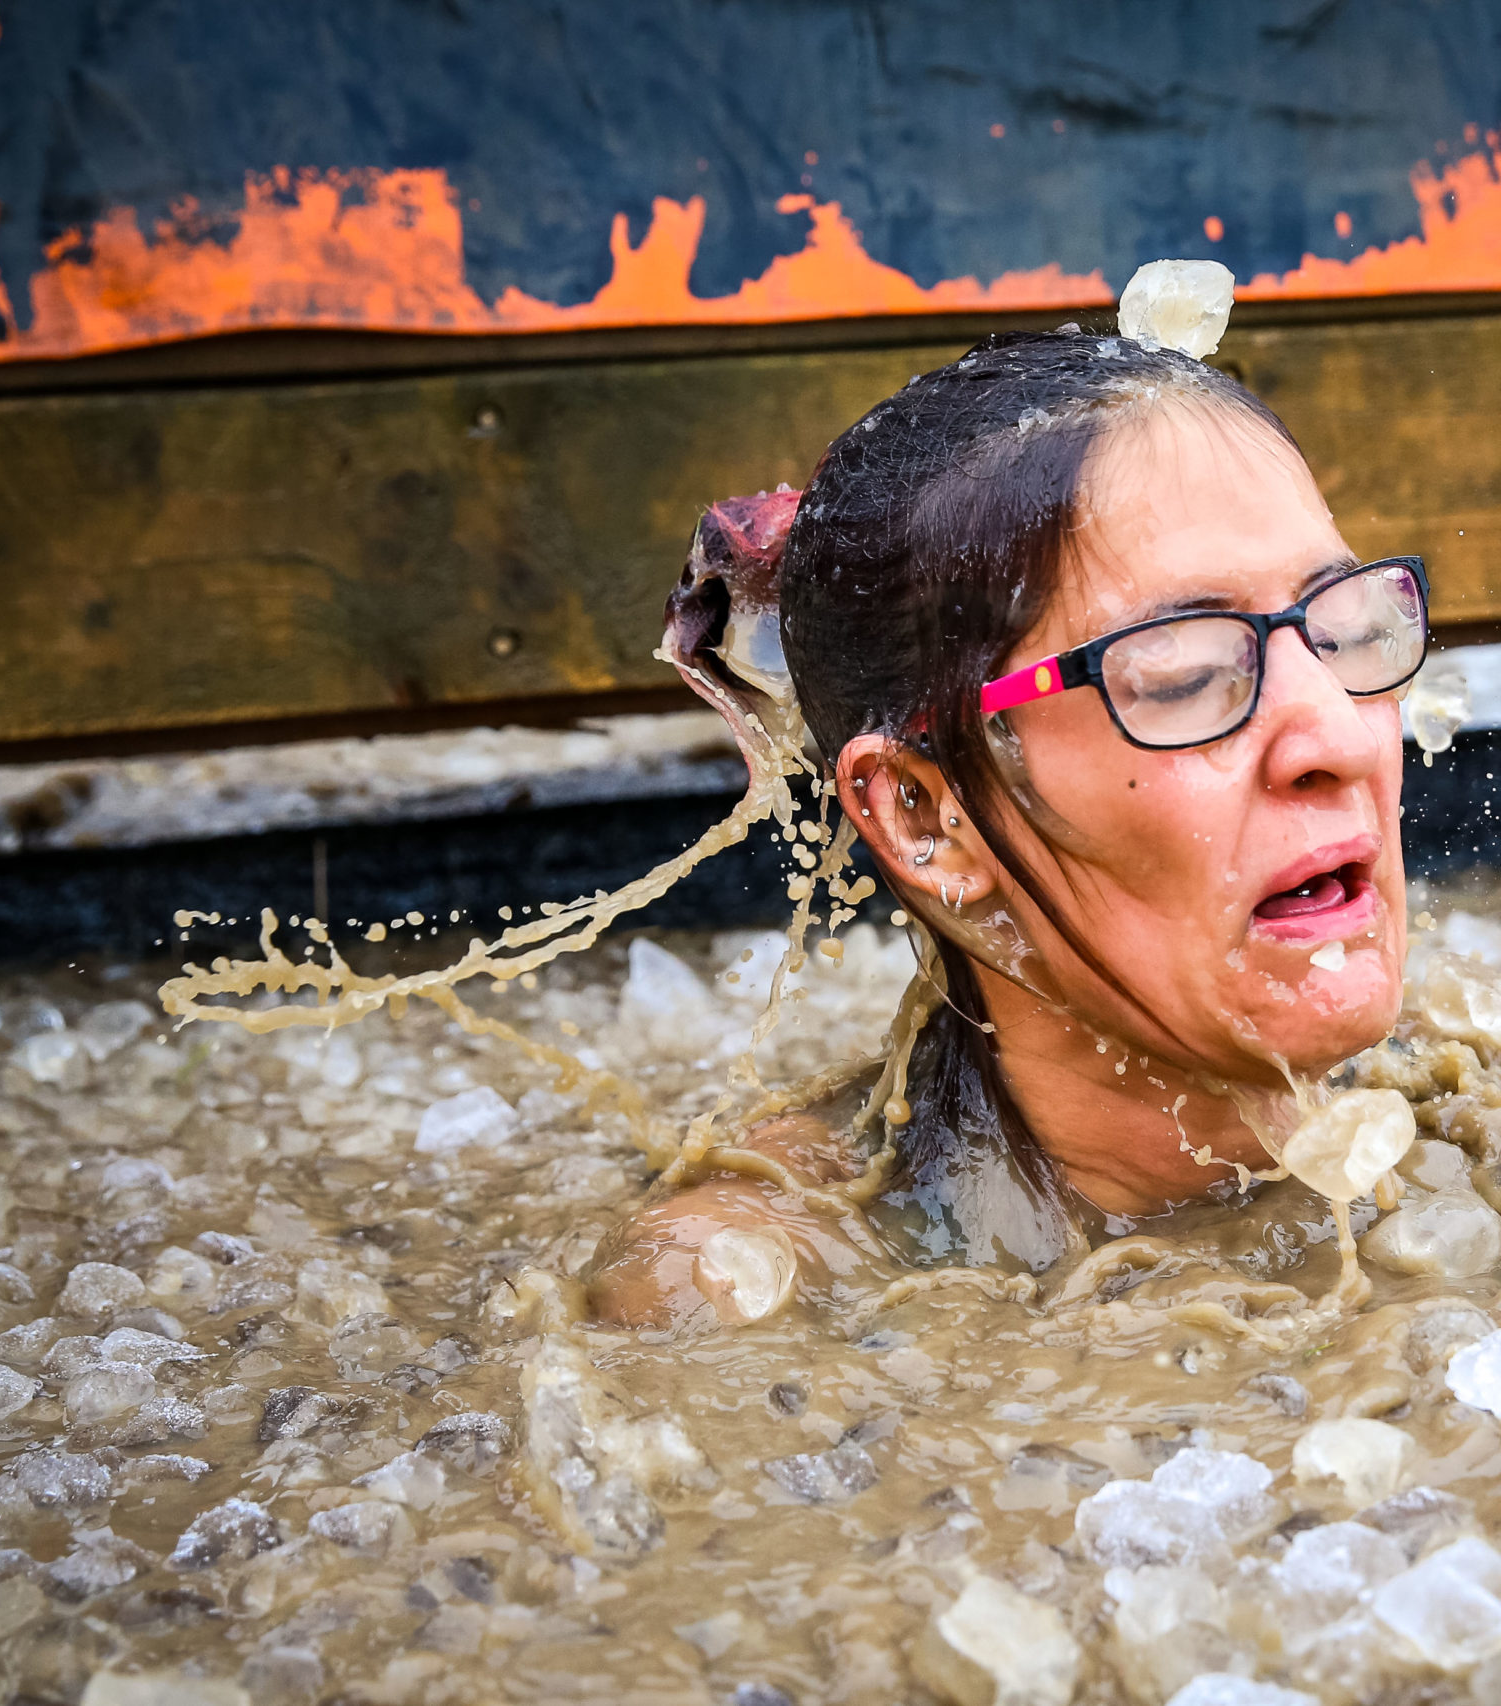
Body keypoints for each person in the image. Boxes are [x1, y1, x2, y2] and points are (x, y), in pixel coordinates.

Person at [587, 320, 1430, 1326]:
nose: (1336, 733)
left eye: (1341, 625)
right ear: (924, 817)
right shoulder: (749, 1288)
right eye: (1187, 672)